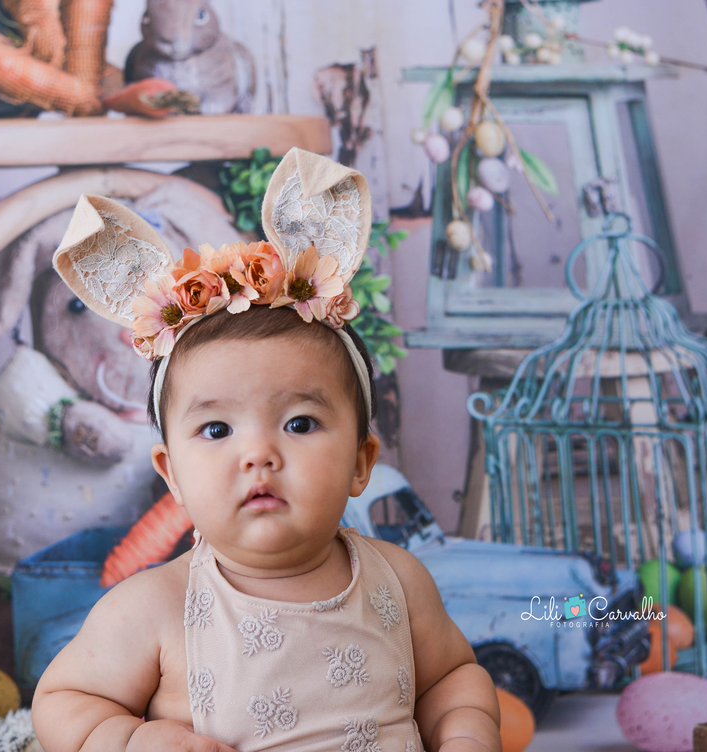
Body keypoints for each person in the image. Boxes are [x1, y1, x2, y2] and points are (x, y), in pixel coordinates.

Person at [32, 149, 502, 752]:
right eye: (218, 430)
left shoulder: (399, 582)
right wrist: (132, 742)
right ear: (171, 475)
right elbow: (66, 701)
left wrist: (465, 732)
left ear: (361, 462)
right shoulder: (154, 606)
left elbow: (453, 679)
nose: (259, 454)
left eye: (301, 423)